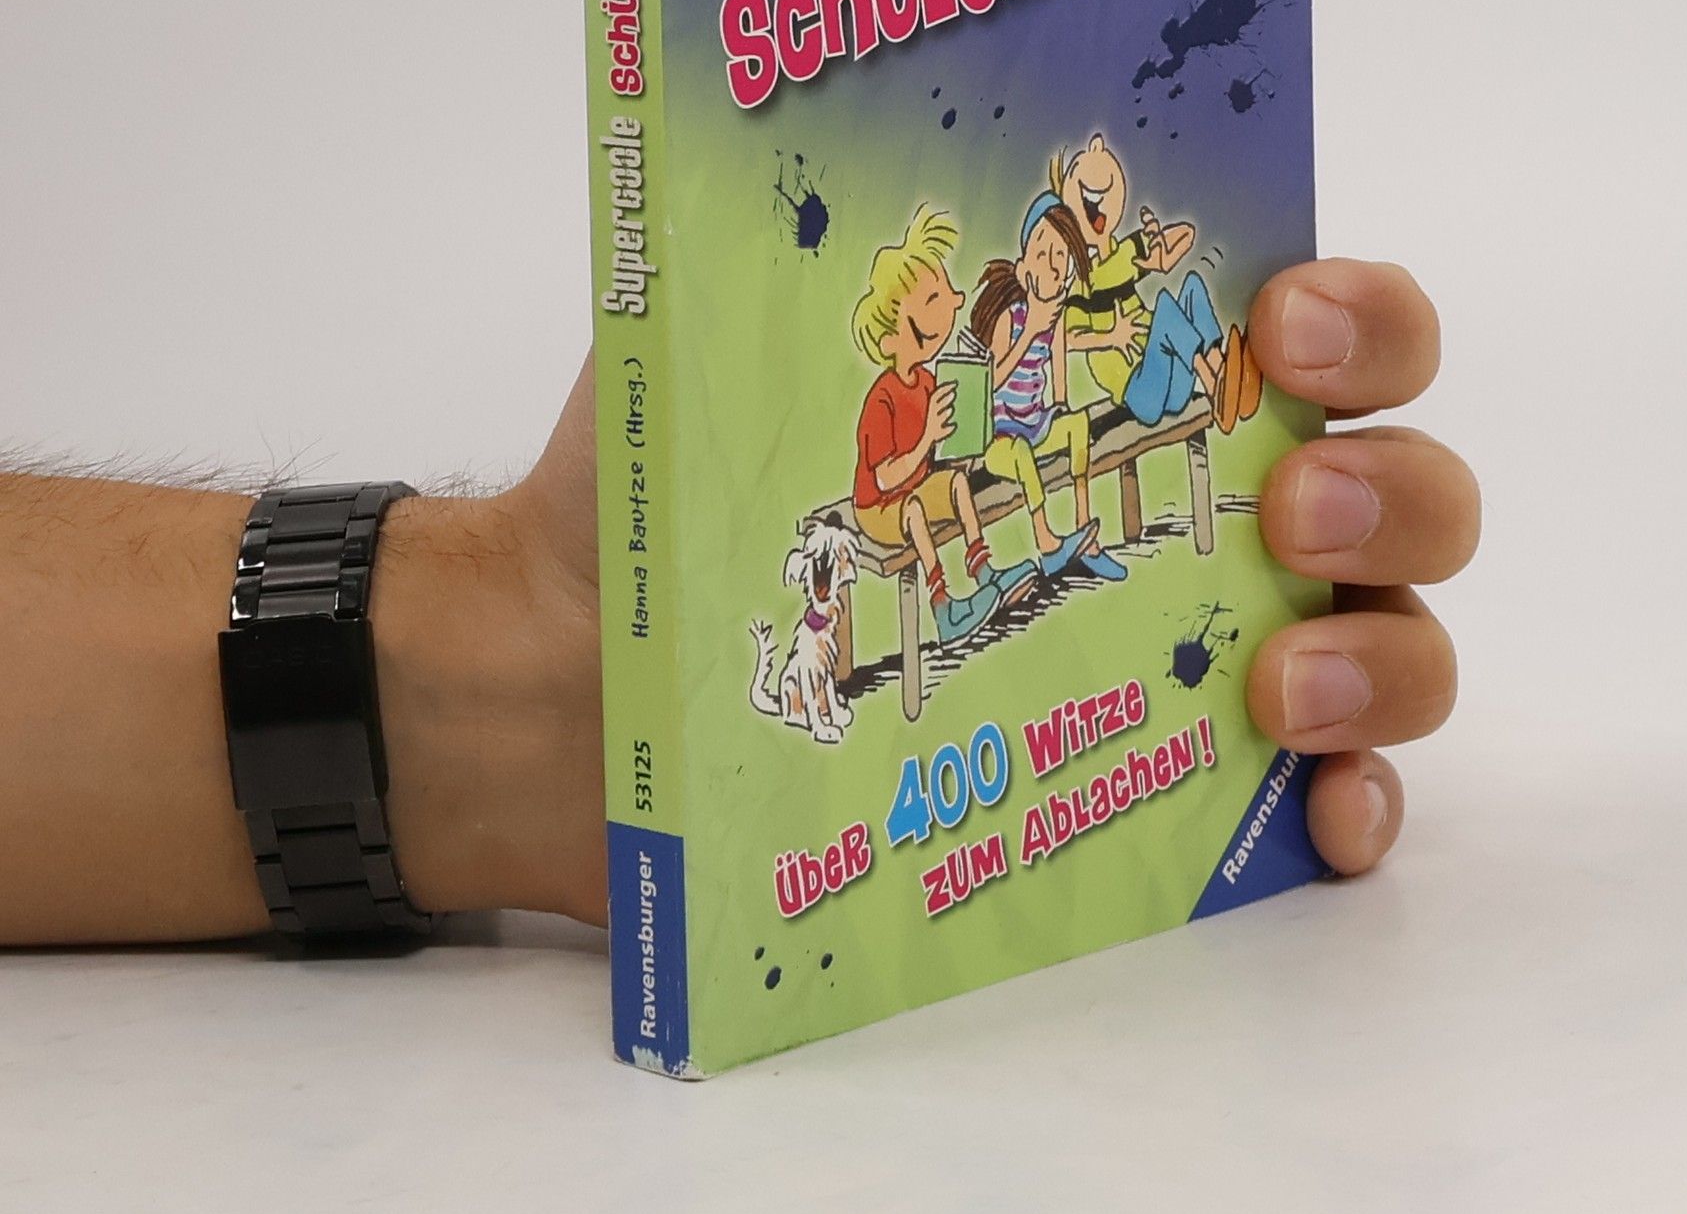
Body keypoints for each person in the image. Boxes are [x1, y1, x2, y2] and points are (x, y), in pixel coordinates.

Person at [0, 256, 1474, 945]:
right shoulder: (904, 390)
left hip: (939, 511)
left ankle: (1034, 566)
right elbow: (887, 468)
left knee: (1043, 486)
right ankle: (977, 588)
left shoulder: (984, 362)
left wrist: (546, 666)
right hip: (897, 509)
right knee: (964, 508)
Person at [848, 204, 1028, 644]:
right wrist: (928, 436)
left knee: (957, 484)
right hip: (879, 508)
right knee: (912, 510)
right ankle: (944, 606)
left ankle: (984, 571)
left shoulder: (930, 380)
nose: (952, 304)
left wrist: (963, 441)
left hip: (916, 488)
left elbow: (939, 457)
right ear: (891, 338)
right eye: (932, 300)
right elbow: (885, 477)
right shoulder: (882, 399)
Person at [1055, 133, 1264, 433]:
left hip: (1172, 378)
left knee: (1192, 284)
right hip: (1141, 392)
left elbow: (1187, 234)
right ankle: (1211, 382)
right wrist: (1112, 336)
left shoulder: (1126, 252)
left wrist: (1161, 257)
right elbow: (1069, 338)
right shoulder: (1081, 281)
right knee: (1165, 306)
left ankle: (1222, 369)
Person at [969, 192, 1125, 584]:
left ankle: (1085, 534)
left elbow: (1059, 376)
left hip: (1036, 424)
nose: (1052, 265)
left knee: (1078, 424)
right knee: (1022, 453)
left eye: (1061, 256)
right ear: (1024, 266)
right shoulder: (1010, 318)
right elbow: (990, 383)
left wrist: (1061, 409)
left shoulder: (1056, 318)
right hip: (999, 440)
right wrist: (1030, 331)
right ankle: (1048, 544)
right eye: (1043, 253)